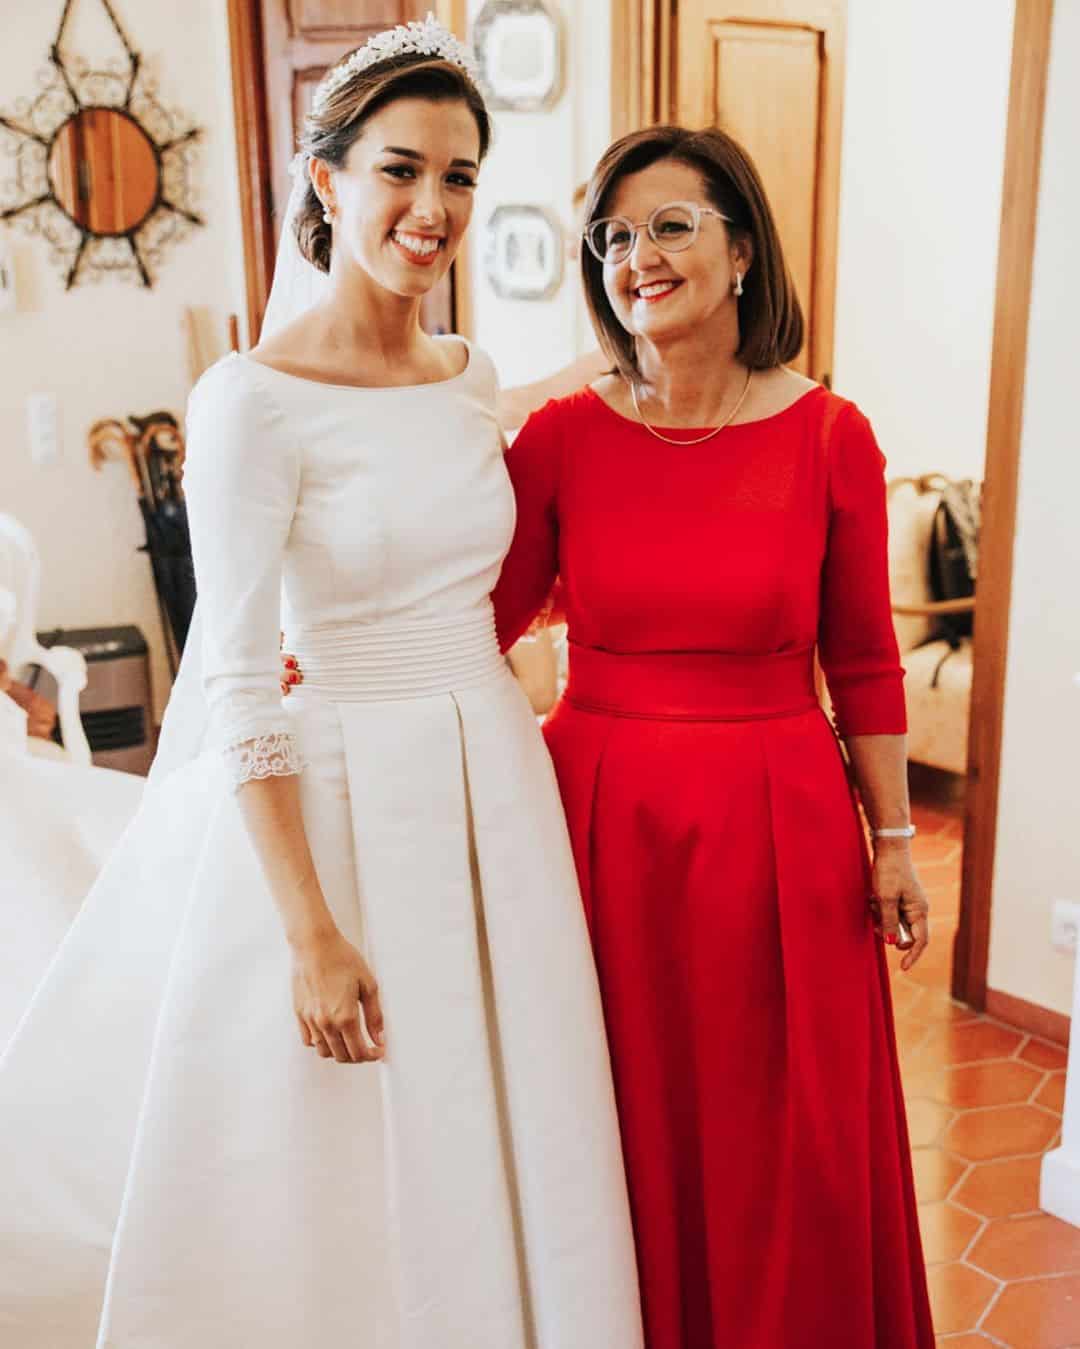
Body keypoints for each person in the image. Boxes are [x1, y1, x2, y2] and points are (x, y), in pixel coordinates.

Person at [0, 22, 643, 1349]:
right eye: (401, 169)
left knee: (511, 1098)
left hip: (492, 785)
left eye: (461, 177)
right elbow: (234, 675)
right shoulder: (251, 398)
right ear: (326, 176)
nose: (433, 208)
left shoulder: (465, 380)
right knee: (365, 1142)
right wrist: (308, 930)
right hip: (346, 801)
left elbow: (490, 481)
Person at [491, 126, 935, 1349]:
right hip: (599, 832)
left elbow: (863, 657)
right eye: (616, 237)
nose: (640, 256)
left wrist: (892, 837)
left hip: (778, 828)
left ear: (742, 249)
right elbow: (485, 618)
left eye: (671, 226)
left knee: (793, 1139)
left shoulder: (829, 433)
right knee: (624, 1127)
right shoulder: (560, 439)